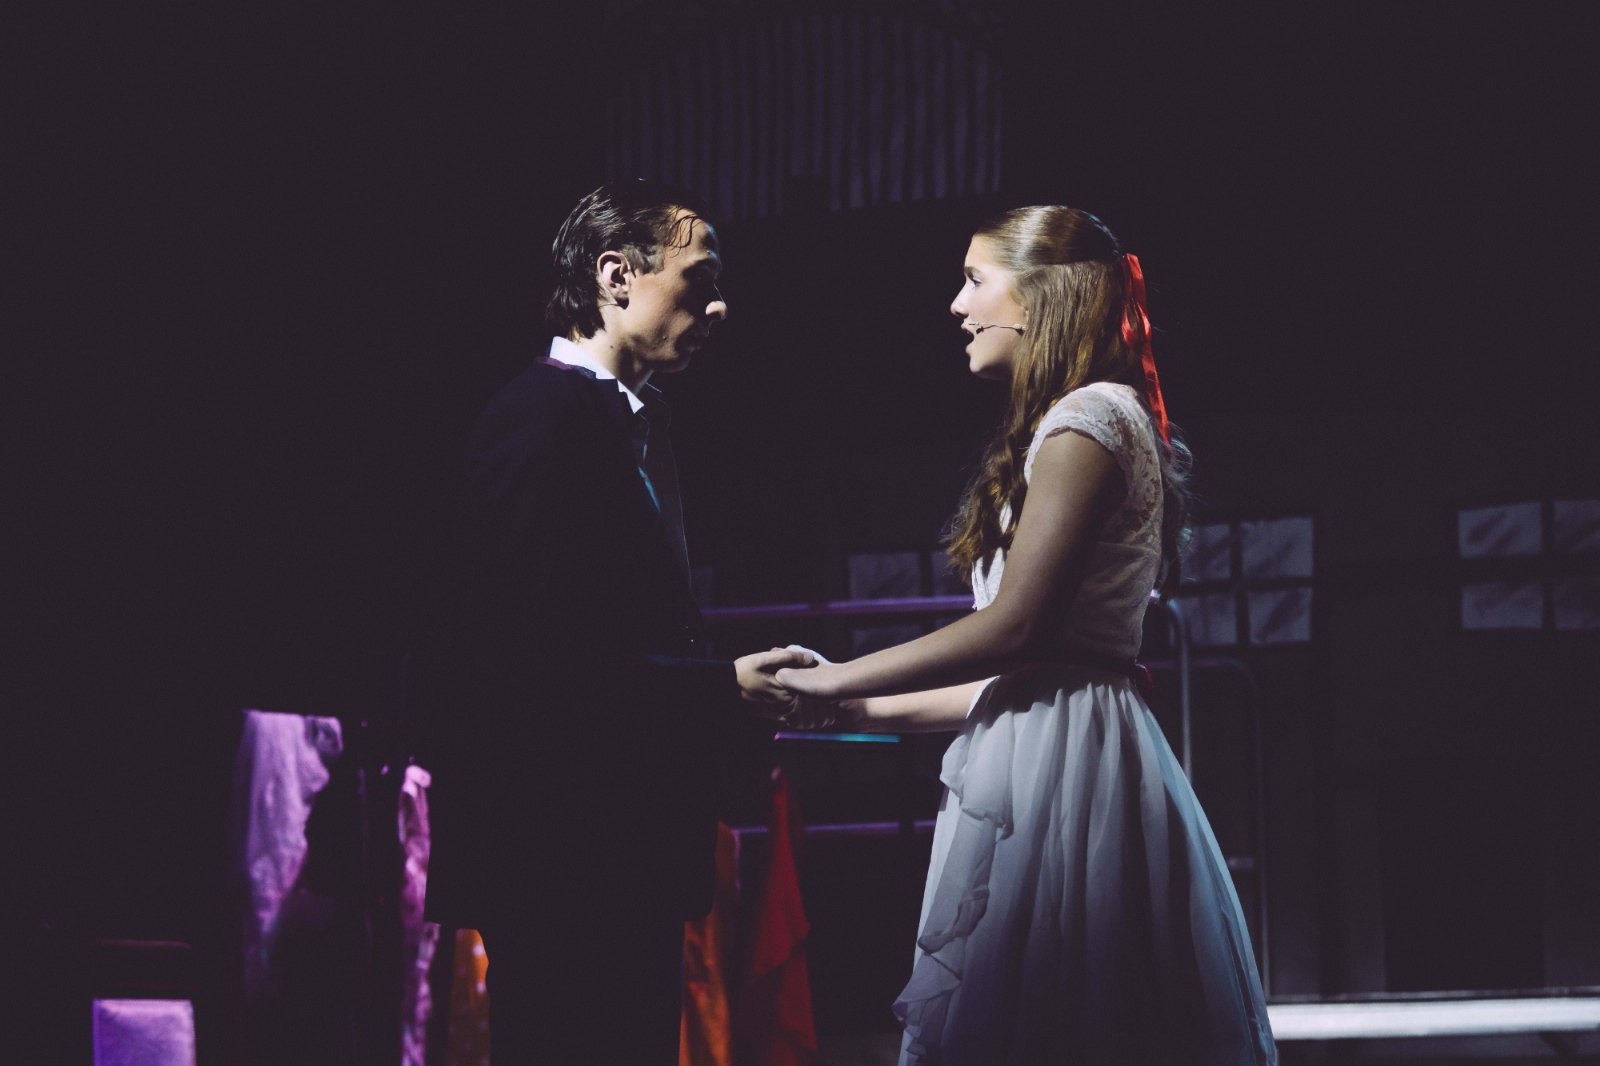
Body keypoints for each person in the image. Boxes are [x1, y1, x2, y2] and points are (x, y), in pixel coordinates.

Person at [776, 207, 1276, 1064]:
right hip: (1050, 741)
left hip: (1069, 765)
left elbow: (1012, 629)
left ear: (1043, 295)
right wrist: (851, 709)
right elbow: (1011, 675)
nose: (956, 304)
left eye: (976, 280)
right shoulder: (1077, 420)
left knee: (1060, 1016)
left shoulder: (1088, 421)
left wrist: (837, 677)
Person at [407, 180, 810, 1063]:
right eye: (698, 278)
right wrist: (720, 689)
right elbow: (515, 659)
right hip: (564, 854)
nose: (719, 305)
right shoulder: (536, 420)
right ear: (616, 275)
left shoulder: (619, 419)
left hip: (613, 850)